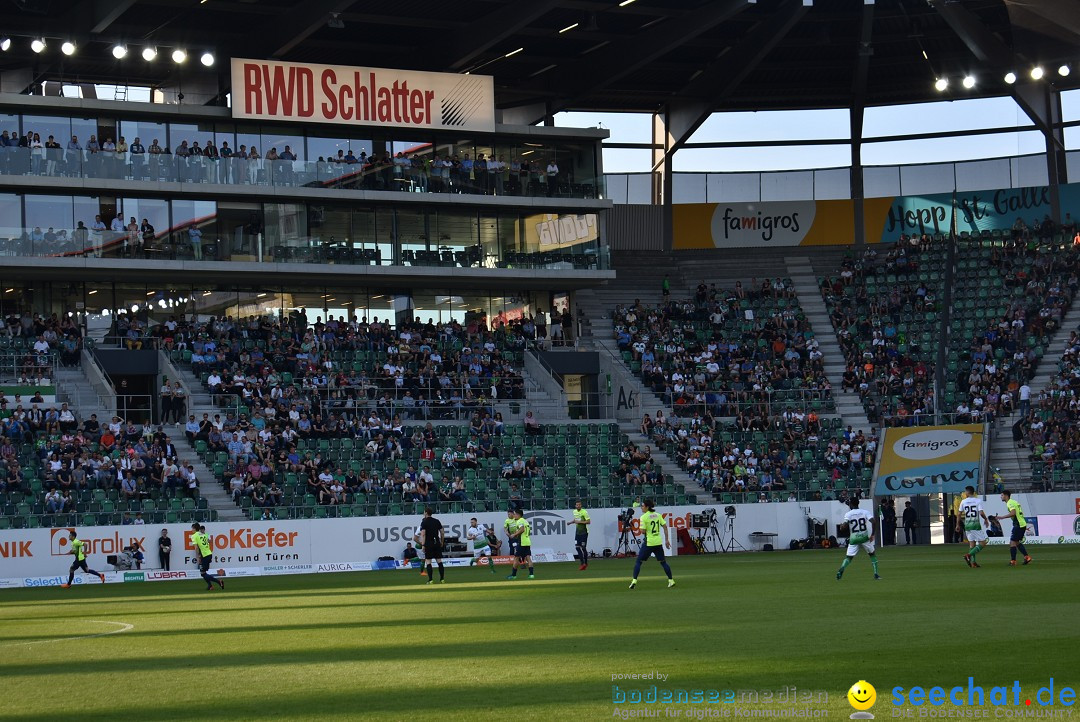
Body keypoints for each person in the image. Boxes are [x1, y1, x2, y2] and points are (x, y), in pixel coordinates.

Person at [629, 498, 674, 589]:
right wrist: (667, 540)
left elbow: (642, 531)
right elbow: (665, 527)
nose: (641, 507)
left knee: (638, 561)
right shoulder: (658, 515)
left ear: (647, 507)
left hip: (649, 543)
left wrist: (643, 529)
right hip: (658, 542)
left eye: (642, 506)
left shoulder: (643, 517)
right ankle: (671, 580)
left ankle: (634, 580)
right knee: (663, 562)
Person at [837, 497, 881, 580]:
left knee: (849, 557)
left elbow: (844, 526)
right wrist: (872, 534)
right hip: (864, 537)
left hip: (854, 539)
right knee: (872, 554)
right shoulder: (865, 512)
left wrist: (841, 526)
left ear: (851, 504)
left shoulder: (848, 514)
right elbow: (873, 521)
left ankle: (841, 569)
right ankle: (876, 574)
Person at [991, 490, 1032, 567]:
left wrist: (1002, 517)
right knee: (1016, 542)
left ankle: (1013, 561)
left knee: (1012, 542)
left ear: (1006, 496)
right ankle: (1026, 557)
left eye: (1002, 495)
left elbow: (1013, 513)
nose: (1001, 497)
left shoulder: (1010, 503)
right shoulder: (1014, 502)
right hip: (1021, 523)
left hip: (1018, 524)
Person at [956, 486, 990, 568]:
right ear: (973, 492)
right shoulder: (977, 501)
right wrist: (986, 519)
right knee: (983, 543)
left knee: (972, 544)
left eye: (965, 492)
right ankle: (968, 555)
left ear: (967, 492)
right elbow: (981, 513)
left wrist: (957, 524)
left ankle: (973, 562)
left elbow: (959, 514)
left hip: (967, 526)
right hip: (975, 525)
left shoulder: (963, 502)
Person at [191, 522, 224, 590]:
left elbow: (196, 547)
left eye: (192, 528)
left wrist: (197, 557)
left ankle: (219, 582)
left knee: (202, 573)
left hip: (204, 555)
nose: (191, 530)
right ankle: (210, 586)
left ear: (194, 528)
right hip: (209, 553)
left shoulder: (194, 536)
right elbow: (207, 542)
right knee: (203, 572)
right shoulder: (204, 534)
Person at [506, 508, 534, 580]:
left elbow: (522, 529)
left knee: (516, 558)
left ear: (518, 515)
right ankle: (531, 575)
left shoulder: (519, 521)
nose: (514, 515)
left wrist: (514, 534)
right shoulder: (525, 521)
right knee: (528, 558)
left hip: (522, 542)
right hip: (527, 541)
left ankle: (513, 575)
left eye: (515, 514)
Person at [418, 507, 445, 584]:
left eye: (424, 512)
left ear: (426, 513)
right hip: (436, 542)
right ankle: (442, 579)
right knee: (439, 561)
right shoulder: (437, 521)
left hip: (428, 543)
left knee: (428, 561)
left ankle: (430, 580)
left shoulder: (424, 522)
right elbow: (442, 532)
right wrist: (442, 541)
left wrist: (423, 545)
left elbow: (423, 534)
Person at [571, 499, 591, 571]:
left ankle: (585, 562)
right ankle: (582, 563)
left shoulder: (584, 512)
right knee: (577, 547)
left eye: (579, 505)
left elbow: (588, 521)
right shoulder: (574, 512)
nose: (578, 506)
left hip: (584, 532)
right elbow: (576, 519)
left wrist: (580, 522)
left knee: (583, 548)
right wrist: (570, 522)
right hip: (578, 533)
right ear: (575, 506)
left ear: (581, 505)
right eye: (577, 505)